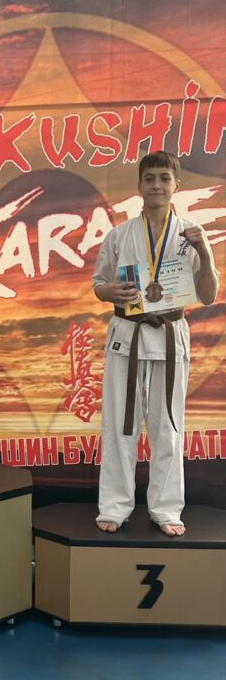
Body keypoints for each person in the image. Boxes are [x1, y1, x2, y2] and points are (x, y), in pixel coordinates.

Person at [92, 151, 219, 536]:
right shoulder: (120, 235)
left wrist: (205, 252)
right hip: (127, 335)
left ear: (177, 184)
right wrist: (111, 291)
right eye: (150, 178)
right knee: (120, 424)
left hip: (169, 335)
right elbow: (99, 285)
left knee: (168, 426)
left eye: (164, 178)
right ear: (139, 186)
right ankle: (115, 505)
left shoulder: (191, 235)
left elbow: (209, 296)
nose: (157, 185)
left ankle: (166, 509)